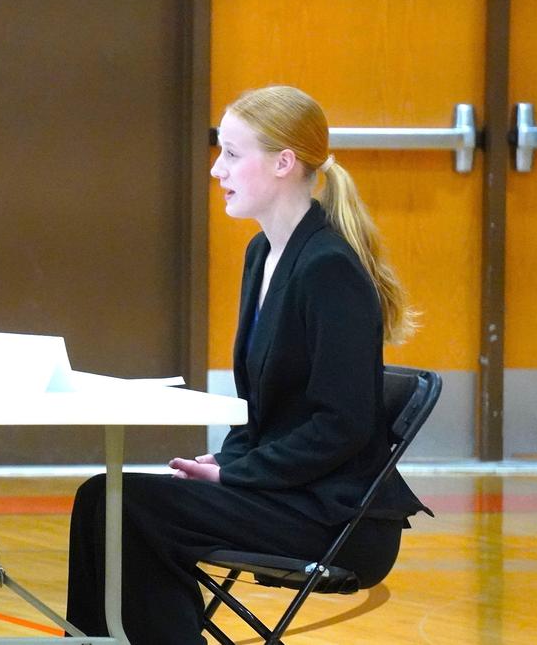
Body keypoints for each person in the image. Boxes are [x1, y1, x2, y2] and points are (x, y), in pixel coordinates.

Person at [65, 85, 430, 643]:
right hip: (290, 491)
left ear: (284, 162)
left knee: (131, 508)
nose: (217, 170)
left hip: (334, 517)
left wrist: (237, 473)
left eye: (232, 155)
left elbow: (343, 425)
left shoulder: (329, 268)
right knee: (102, 498)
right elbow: (272, 411)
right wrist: (231, 458)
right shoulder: (263, 253)